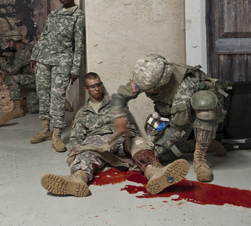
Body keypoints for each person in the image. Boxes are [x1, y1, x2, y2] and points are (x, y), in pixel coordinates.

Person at [41, 73, 190, 197]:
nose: (97, 88)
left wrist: (132, 138)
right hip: (96, 143)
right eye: (93, 86)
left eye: (99, 84)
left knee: (140, 145)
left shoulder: (115, 104)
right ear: (86, 89)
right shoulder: (82, 113)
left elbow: (130, 126)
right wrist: (75, 152)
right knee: (84, 153)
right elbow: (76, 139)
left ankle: (155, 173)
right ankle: (77, 180)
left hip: (119, 140)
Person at [111, 54, 227, 182]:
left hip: (198, 112)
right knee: (164, 154)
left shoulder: (184, 87)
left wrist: (154, 147)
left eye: (149, 90)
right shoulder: (146, 77)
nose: (146, 92)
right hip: (174, 111)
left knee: (203, 105)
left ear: (162, 82)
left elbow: (176, 129)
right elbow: (120, 96)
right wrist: (119, 117)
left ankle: (200, 156)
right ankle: (194, 145)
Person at [29, 0, 85, 152]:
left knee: (58, 96)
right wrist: (35, 55)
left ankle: (57, 135)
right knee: (43, 94)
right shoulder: (54, 14)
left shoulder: (77, 15)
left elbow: (79, 43)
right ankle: (45, 130)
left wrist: (75, 68)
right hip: (44, 59)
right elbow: (44, 36)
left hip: (63, 61)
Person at [0, 29, 38, 128]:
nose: (8, 44)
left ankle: (17, 109)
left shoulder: (25, 52)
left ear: (15, 41)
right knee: (33, 109)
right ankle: (56, 102)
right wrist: (5, 59)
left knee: (11, 78)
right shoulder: (19, 51)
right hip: (33, 79)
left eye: (8, 41)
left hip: (38, 80)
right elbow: (17, 65)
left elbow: (13, 70)